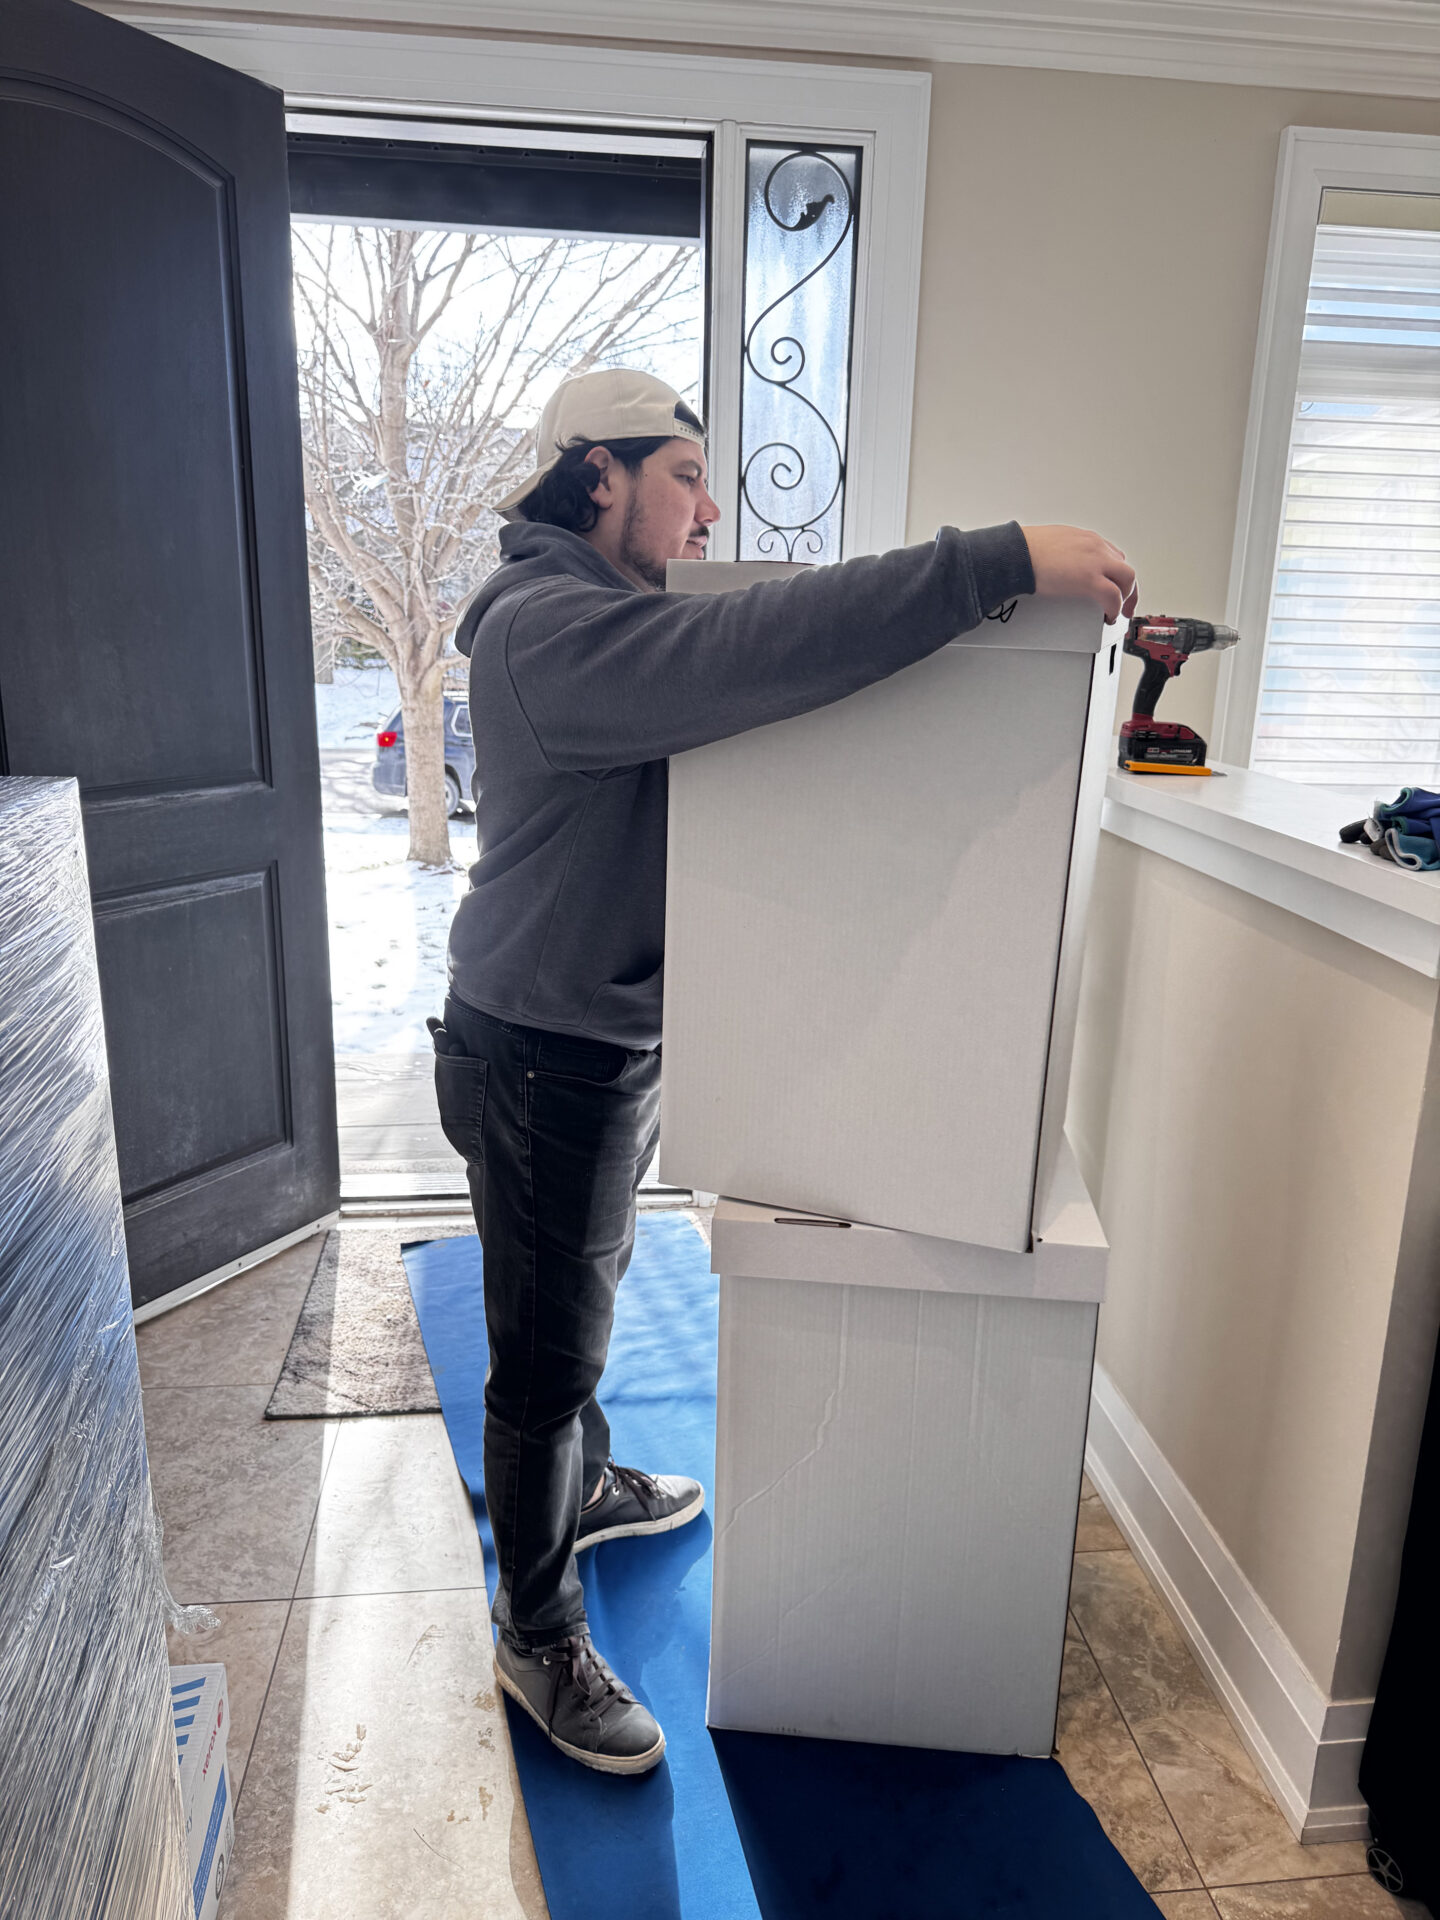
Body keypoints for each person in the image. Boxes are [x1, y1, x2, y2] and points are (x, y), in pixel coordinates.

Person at [432, 367, 1137, 1776]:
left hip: (592, 1031)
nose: (705, 512)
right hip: (538, 1049)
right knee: (541, 1348)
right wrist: (997, 564)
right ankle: (535, 1630)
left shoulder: (607, 612)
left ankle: (586, 1480)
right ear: (598, 479)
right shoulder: (547, 629)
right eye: (683, 476)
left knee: (586, 1280)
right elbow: (757, 649)